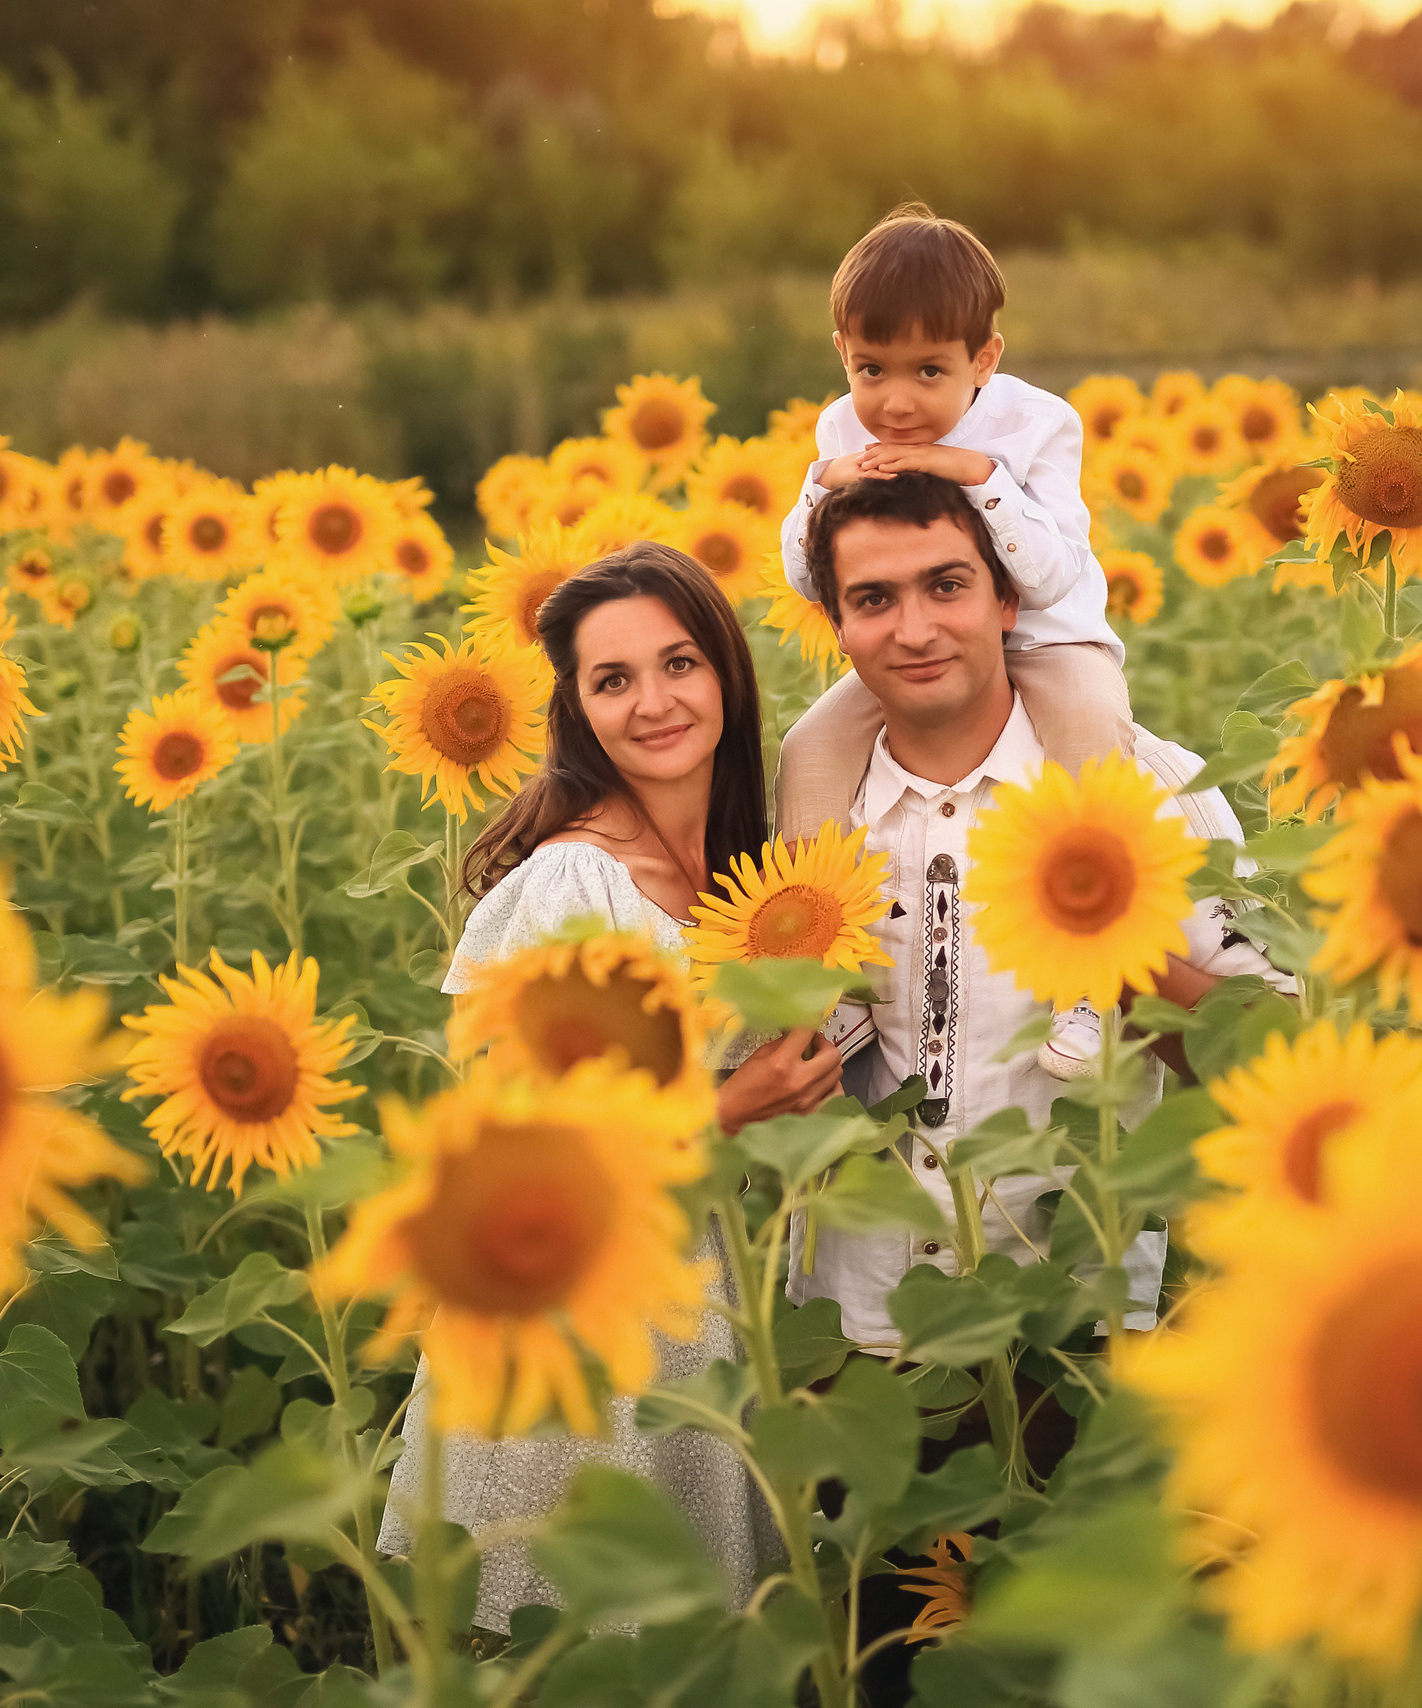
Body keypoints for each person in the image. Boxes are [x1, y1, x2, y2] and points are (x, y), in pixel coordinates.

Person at [777, 472, 1288, 1701]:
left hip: (1076, 1317)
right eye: (873, 599)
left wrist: (1126, 941)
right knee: (890, 1660)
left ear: (1006, 598)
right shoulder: (809, 815)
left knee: (1082, 1664)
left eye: (946, 585)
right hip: (861, 1327)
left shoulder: (1145, 788)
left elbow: (1265, 1050)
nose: (914, 626)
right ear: (836, 625)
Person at [377, 543, 843, 1635]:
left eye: (679, 663)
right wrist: (732, 1106)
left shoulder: (747, 872)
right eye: (613, 679)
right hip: (578, 1319)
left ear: (726, 670)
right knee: (576, 1642)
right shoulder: (576, 880)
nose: (654, 702)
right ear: (578, 710)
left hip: (698, 1301)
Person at [775, 204, 1139, 1079]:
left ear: (985, 359)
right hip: (920, 649)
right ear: (842, 352)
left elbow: (1050, 574)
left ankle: (1091, 973)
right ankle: (826, 977)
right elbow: (805, 575)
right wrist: (822, 486)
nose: (897, 402)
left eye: (929, 371)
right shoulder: (843, 429)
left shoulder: (1037, 427)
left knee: (1095, 733)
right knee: (809, 749)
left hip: (1049, 644)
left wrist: (977, 475)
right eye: (872, 369)